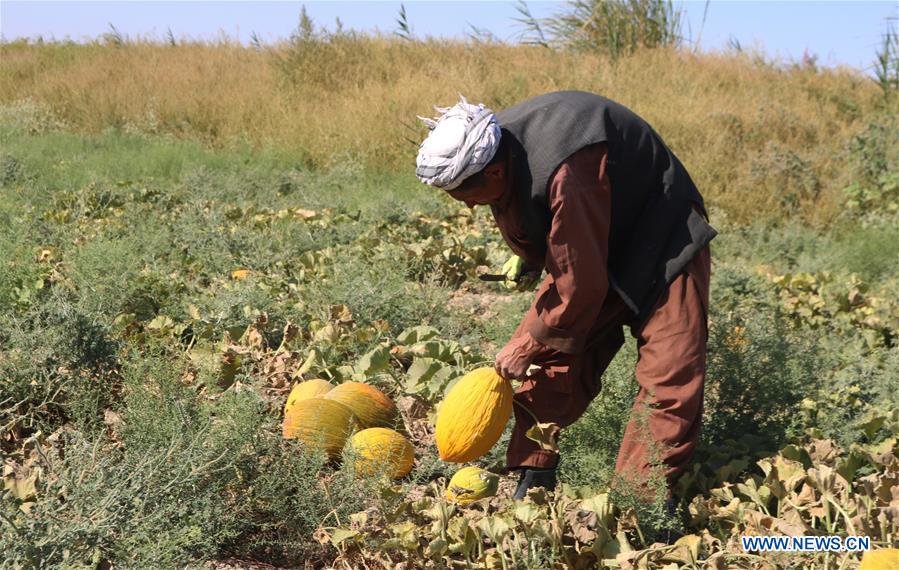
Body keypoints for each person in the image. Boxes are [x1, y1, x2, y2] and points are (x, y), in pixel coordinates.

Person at [415, 91, 717, 501]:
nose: (468, 206)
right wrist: (530, 265)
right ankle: (533, 479)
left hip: (664, 236)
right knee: (553, 360)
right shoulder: (494, 150)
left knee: (670, 374)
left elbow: (579, 283)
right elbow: (560, 242)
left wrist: (528, 340)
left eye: (465, 196)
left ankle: (640, 508)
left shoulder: (565, 168)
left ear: (495, 174)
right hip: (597, 240)